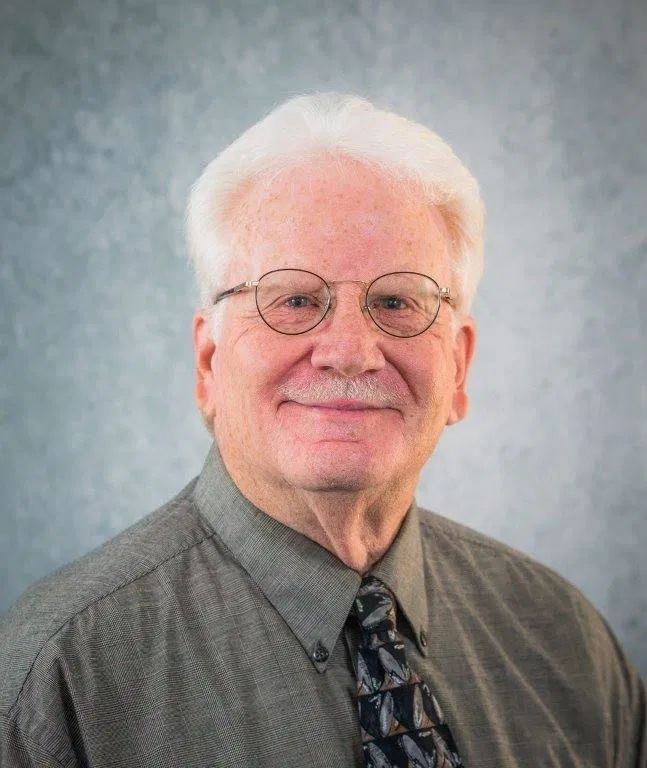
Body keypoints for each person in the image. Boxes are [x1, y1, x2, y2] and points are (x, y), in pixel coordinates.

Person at [0, 93, 644, 768]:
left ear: (457, 367)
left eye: (397, 302)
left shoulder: (567, 646)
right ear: (209, 364)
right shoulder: (56, 680)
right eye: (295, 300)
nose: (348, 351)